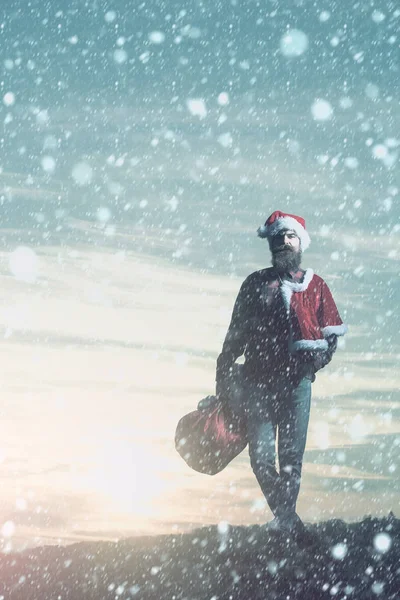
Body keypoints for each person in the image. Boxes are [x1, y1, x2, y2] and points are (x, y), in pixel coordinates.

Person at [216, 210, 348, 540]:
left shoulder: (315, 286)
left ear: (300, 241)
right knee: (260, 459)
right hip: (256, 382)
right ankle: (289, 520)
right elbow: (235, 334)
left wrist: (313, 365)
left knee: (290, 459)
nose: (284, 242)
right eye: (278, 237)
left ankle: (286, 524)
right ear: (272, 242)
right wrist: (224, 373)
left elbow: (331, 334)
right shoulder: (254, 283)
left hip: (296, 384)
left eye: (290, 237)